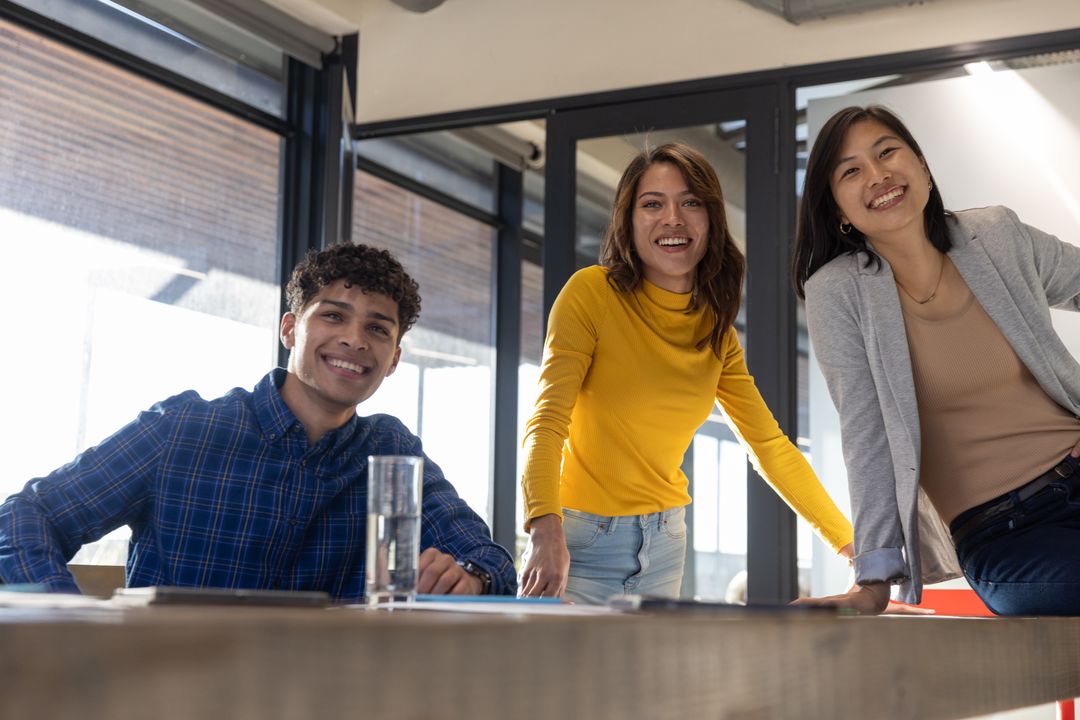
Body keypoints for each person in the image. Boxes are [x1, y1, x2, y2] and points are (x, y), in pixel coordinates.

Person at [0, 243, 515, 599]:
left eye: (377, 329)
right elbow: (26, 516)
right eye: (333, 316)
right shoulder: (182, 429)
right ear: (291, 330)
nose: (356, 340)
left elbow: (489, 559)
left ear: (395, 358)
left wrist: (467, 576)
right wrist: (71, 624)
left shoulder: (392, 450)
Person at [519, 142, 855, 604]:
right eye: (652, 204)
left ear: (711, 220)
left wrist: (850, 545)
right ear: (629, 220)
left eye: (690, 202)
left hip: (665, 542)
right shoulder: (590, 294)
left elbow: (771, 448)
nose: (672, 218)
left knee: (649, 680)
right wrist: (543, 529)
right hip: (577, 543)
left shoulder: (715, 332)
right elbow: (547, 422)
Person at [793, 105, 1080, 616]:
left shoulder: (997, 235)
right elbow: (868, 438)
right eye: (851, 170)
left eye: (887, 153)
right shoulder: (837, 295)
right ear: (837, 208)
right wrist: (874, 581)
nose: (878, 175)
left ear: (922, 168)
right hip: (1003, 535)